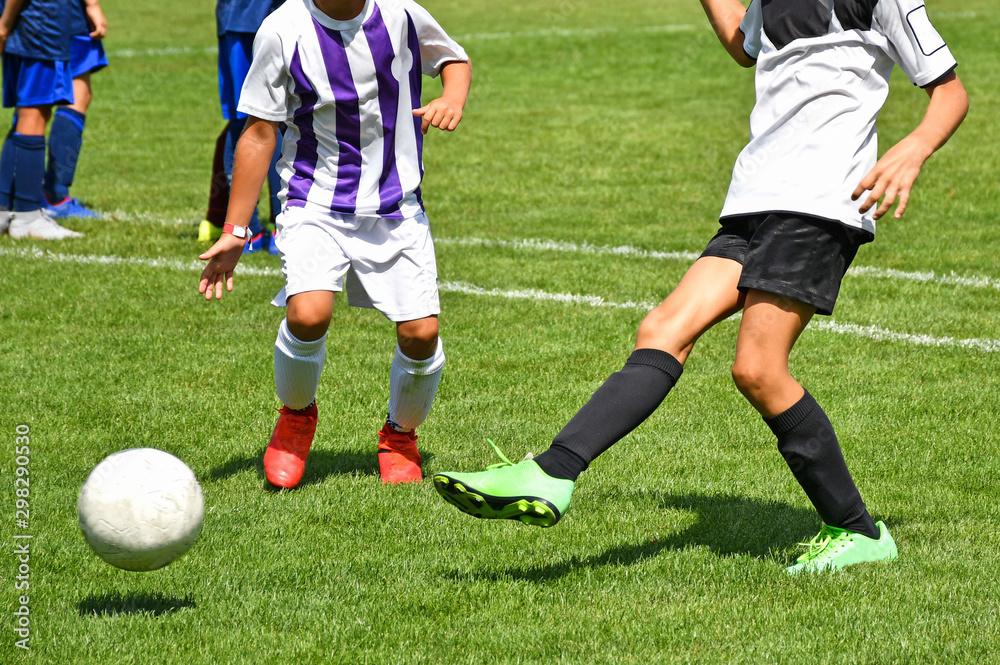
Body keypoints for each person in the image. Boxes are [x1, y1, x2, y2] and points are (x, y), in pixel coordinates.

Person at [434, 0, 968, 574]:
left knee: (759, 368)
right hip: (755, 199)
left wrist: (913, 149)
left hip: (820, 202)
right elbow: (746, 45)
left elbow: (950, 92)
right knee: (663, 328)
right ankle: (551, 472)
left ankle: (859, 532)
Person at [197, 0, 471, 488]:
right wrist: (234, 232)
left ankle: (400, 436)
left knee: (421, 334)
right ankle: (296, 419)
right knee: (307, 314)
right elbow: (260, 132)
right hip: (314, 202)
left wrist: (453, 95)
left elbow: (452, 58)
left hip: (396, 206)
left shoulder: (401, 13)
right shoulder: (283, 29)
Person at [198, 0, 285, 254]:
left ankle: (257, 229)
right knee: (258, 118)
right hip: (249, 17)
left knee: (259, 117)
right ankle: (260, 228)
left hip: (245, 16)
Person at [0, 0, 81, 239]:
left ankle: (3, 208)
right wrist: (4, 23)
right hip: (40, 25)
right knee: (33, 116)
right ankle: (28, 216)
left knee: (30, 114)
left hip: (31, 24)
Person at [42, 0, 108, 219]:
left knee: (30, 100)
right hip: (62, 11)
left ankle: (15, 196)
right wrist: (92, 4)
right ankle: (56, 197)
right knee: (76, 95)